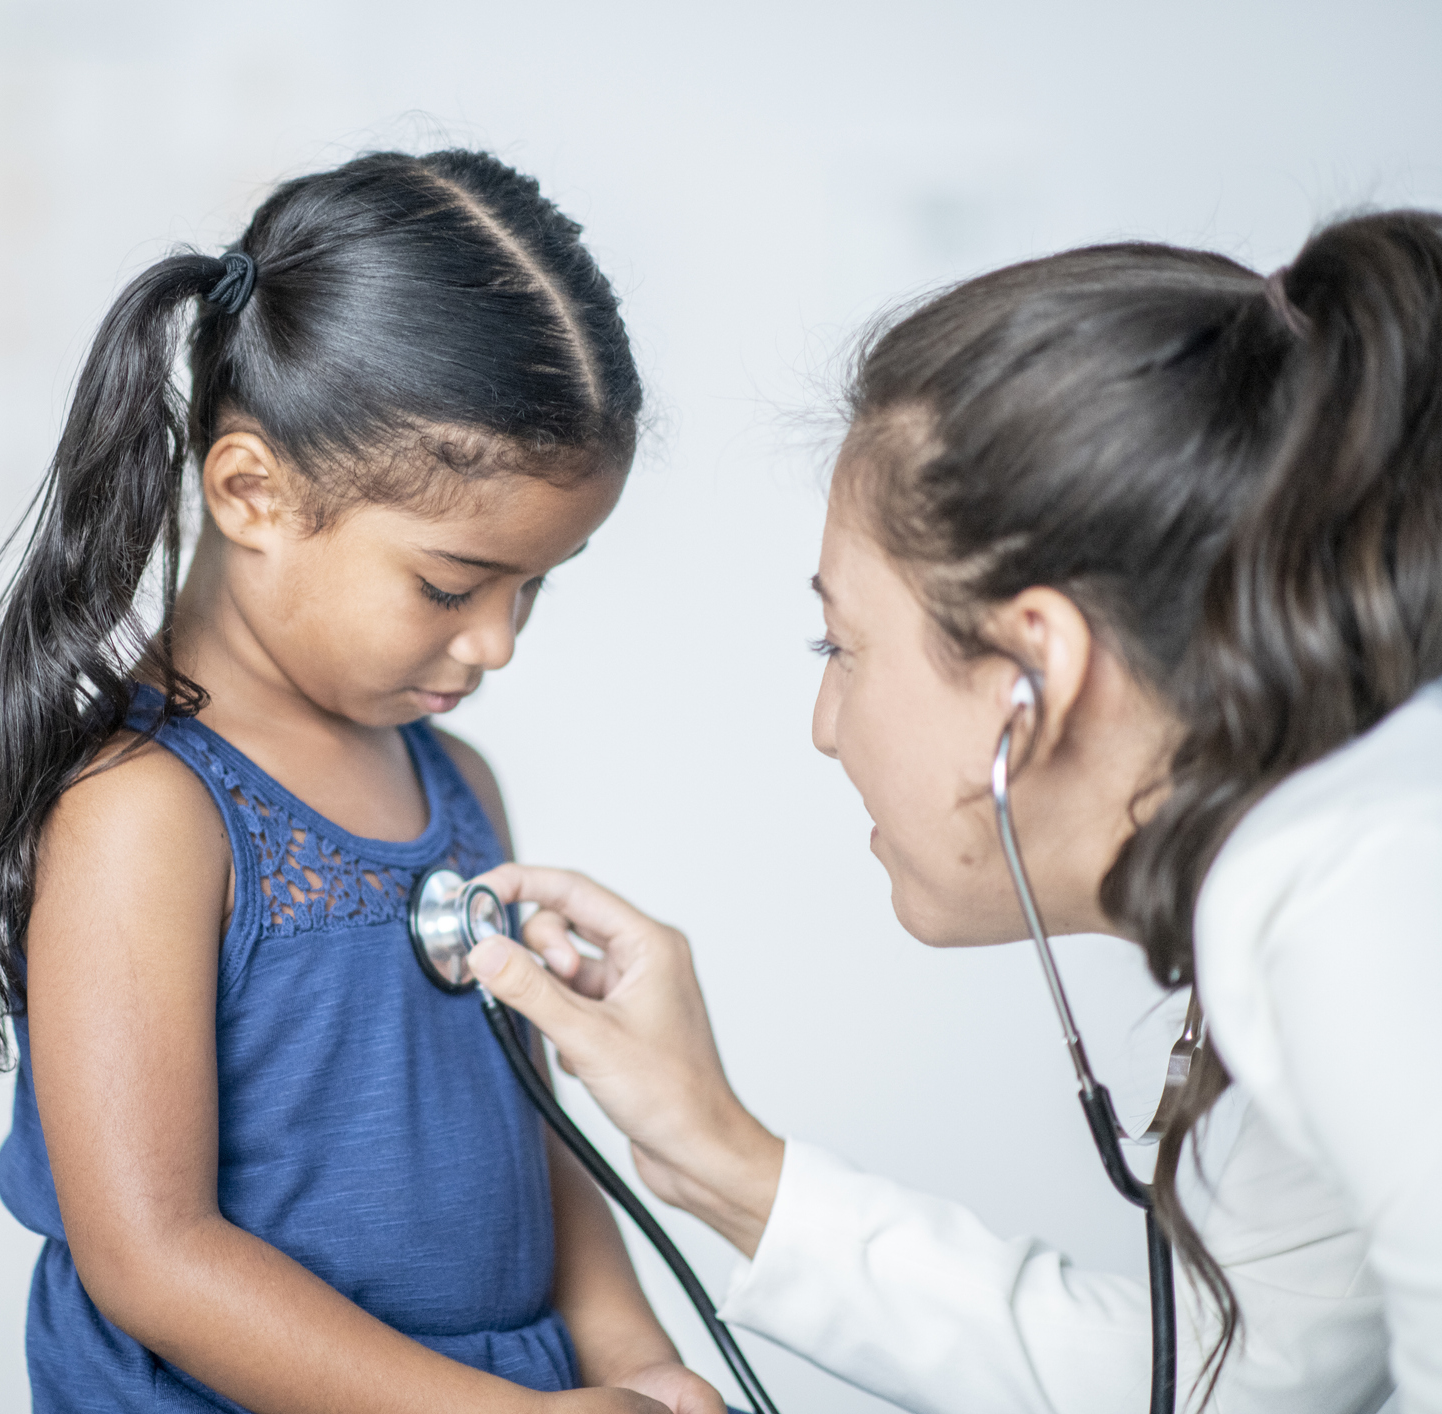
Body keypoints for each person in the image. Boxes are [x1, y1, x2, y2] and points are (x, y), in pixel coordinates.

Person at [469, 210, 1442, 1413]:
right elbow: (1228, 1383)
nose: (824, 725)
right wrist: (717, 1149)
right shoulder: (1344, 877)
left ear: (1033, 672)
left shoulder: (1360, 893)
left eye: (844, 643)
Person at [0, 151, 719, 1414]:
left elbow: (536, 1142)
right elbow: (154, 1259)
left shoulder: (458, 784)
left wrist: (640, 1368)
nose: (500, 642)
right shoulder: (145, 816)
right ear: (253, 494)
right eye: (452, 586)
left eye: (534, 587)